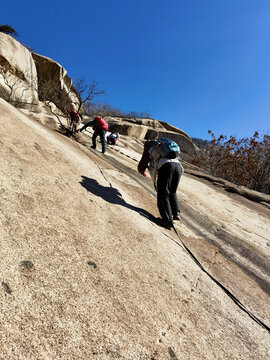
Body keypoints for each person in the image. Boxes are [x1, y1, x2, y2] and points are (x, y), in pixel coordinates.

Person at [138, 138, 184, 230]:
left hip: (166, 166)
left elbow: (143, 162)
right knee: (172, 191)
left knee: (163, 193)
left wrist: (141, 171)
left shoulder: (149, 146)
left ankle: (167, 221)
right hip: (178, 166)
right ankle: (175, 213)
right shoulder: (164, 145)